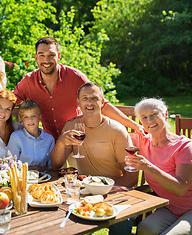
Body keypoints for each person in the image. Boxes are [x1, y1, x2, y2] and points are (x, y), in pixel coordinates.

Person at [13, 36, 144, 140]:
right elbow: (10, 100)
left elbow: (102, 104)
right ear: (36, 57)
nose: (46, 60)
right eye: (41, 55)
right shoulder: (29, 81)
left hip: (80, 138)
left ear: (58, 56)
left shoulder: (75, 77)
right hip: (50, 143)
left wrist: (134, 125)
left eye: (51, 55)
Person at [50, 82, 138, 188]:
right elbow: (56, 165)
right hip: (85, 188)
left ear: (102, 102)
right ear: (78, 103)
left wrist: (109, 191)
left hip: (111, 189)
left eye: (94, 98)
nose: (89, 102)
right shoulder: (72, 126)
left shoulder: (117, 130)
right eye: (85, 98)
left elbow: (132, 176)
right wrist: (61, 141)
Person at [125, 98, 192, 235]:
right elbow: (115, 131)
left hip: (190, 209)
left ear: (165, 114)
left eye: (154, 114)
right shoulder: (142, 141)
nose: (149, 120)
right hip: (169, 207)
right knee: (144, 229)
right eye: (144, 117)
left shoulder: (184, 147)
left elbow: (181, 188)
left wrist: (148, 168)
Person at [7, 100, 54, 171]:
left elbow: (52, 165)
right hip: (22, 177)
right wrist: (27, 169)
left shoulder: (49, 139)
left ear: (40, 118)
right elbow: (11, 163)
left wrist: (42, 169)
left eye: (34, 116)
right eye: (26, 117)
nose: (30, 120)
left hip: (44, 176)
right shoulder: (16, 137)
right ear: (21, 120)